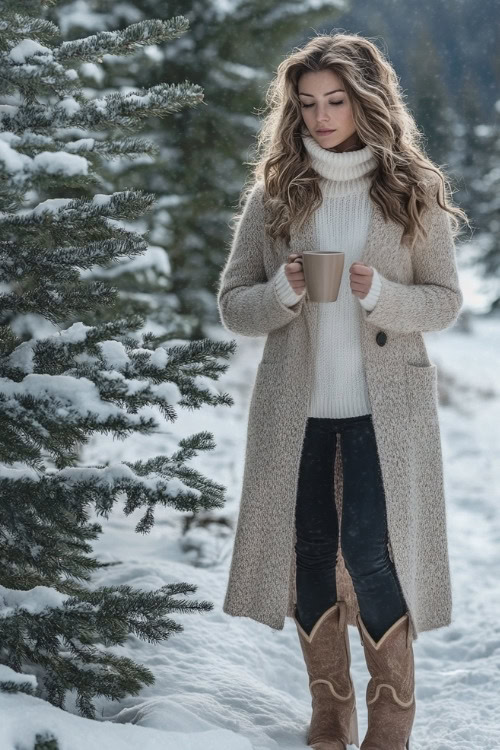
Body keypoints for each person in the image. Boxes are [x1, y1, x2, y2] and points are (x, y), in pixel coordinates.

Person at [217, 32, 469, 750]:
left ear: (368, 100)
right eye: (306, 105)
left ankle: (391, 722)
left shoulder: (414, 188)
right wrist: (282, 291)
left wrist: (382, 291)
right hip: (298, 414)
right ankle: (332, 715)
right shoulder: (275, 193)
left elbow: (444, 301)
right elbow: (235, 305)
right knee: (307, 552)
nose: (321, 117)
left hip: (383, 413)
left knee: (371, 551)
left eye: (335, 101)